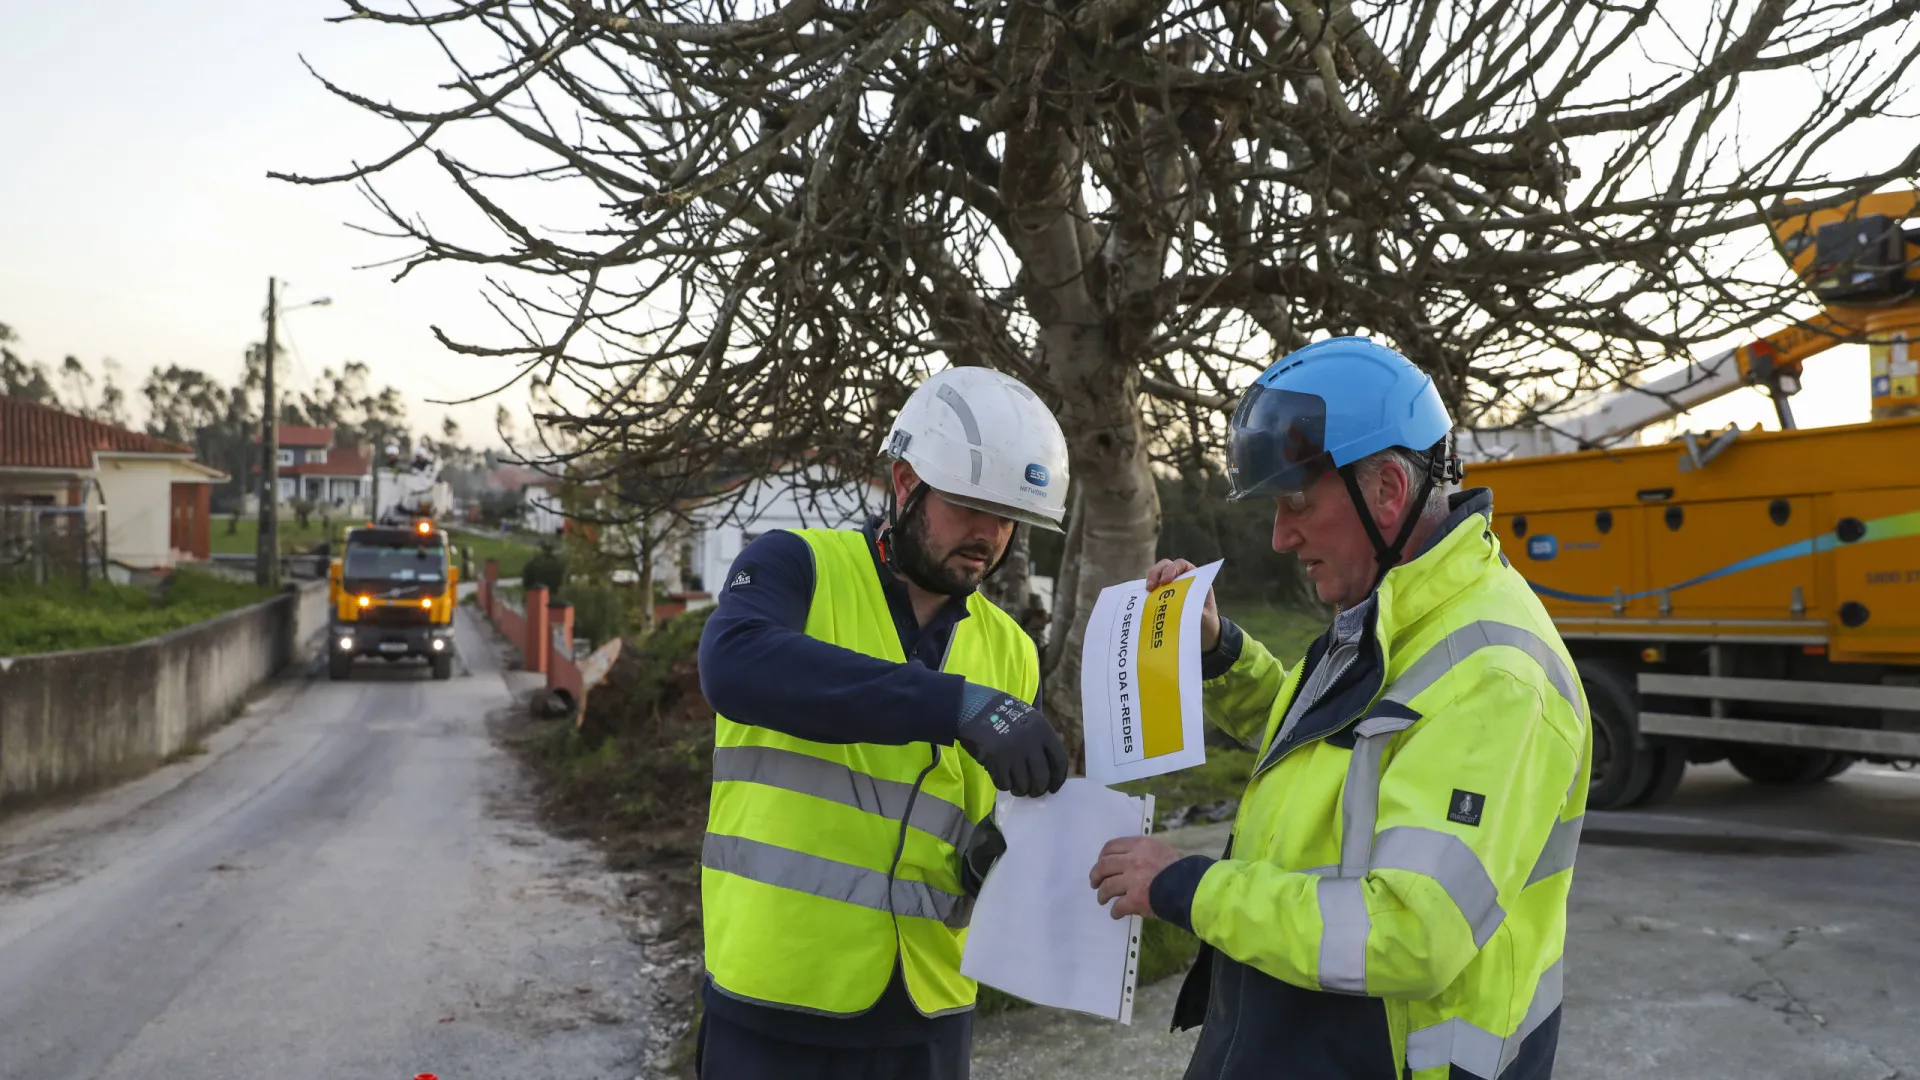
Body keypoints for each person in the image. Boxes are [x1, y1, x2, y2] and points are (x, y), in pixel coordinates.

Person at [1090, 337, 1591, 1080]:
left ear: (1388, 489)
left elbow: (1410, 932)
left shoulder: (1494, 678)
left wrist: (1189, 888)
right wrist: (1218, 653)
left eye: (1296, 503)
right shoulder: (1396, 613)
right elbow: (1327, 748)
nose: (1280, 535)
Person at [696, 367, 1074, 1079]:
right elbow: (735, 666)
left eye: (1007, 517)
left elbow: (974, 814)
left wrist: (1005, 852)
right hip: (778, 992)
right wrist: (952, 705)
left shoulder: (1012, 649)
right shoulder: (796, 566)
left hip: (929, 1010)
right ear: (905, 483)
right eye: (970, 506)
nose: (989, 535)